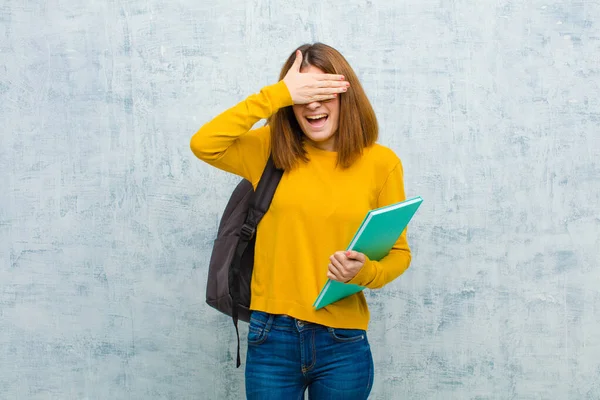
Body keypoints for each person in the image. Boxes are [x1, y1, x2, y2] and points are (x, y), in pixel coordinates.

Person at [190, 42, 412, 400]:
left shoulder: (381, 164)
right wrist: (276, 94)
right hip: (270, 336)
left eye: (323, 91)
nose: (312, 104)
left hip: (343, 340)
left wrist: (365, 272)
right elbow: (204, 143)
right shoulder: (268, 150)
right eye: (303, 93)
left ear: (346, 96)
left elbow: (399, 253)